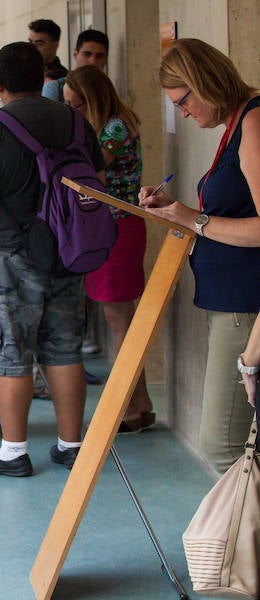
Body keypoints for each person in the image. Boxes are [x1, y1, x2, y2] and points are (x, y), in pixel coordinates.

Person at [0, 42, 105, 477]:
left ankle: (14, 453)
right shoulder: (75, 121)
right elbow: (98, 183)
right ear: (43, 79)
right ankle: (72, 445)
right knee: (64, 349)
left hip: (11, 256)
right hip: (68, 254)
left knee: (10, 352)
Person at [139, 38, 260, 473]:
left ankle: (240, 541)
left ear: (202, 81)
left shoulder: (254, 121)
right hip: (229, 301)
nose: (183, 114)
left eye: (183, 102)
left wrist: (195, 219)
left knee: (222, 443)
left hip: (246, 306)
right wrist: (179, 210)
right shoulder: (236, 123)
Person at [63, 65, 154, 433]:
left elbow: (95, 174)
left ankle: (128, 406)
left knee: (120, 322)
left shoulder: (114, 127)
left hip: (118, 227)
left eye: (77, 105)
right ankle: (141, 403)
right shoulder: (103, 126)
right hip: (109, 228)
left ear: (93, 99)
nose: (72, 112)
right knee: (119, 321)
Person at [43, 29, 109, 101]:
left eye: (99, 56)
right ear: (75, 54)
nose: (93, 61)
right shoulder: (55, 88)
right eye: (87, 54)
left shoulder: (108, 92)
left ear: (105, 59)